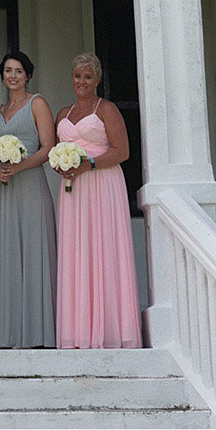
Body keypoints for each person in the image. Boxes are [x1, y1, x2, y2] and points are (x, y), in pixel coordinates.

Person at [56, 51, 142, 349]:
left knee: (103, 248)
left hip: (102, 185)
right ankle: (77, 331)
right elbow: (58, 151)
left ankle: (109, 330)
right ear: (72, 78)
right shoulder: (63, 114)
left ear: (97, 80)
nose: (82, 82)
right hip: (72, 190)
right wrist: (62, 165)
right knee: (76, 250)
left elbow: (122, 151)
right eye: (78, 76)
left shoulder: (107, 109)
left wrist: (87, 165)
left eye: (88, 77)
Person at [0, 50, 56, 348]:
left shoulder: (37, 103)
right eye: (8, 71)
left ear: (27, 75)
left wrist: (19, 166)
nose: (12, 76)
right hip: (4, 189)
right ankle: (8, 332)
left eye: (18, 71)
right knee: (7, 252)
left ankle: (38, 332)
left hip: (29, 185)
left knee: (32, 250)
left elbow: (48, 147)